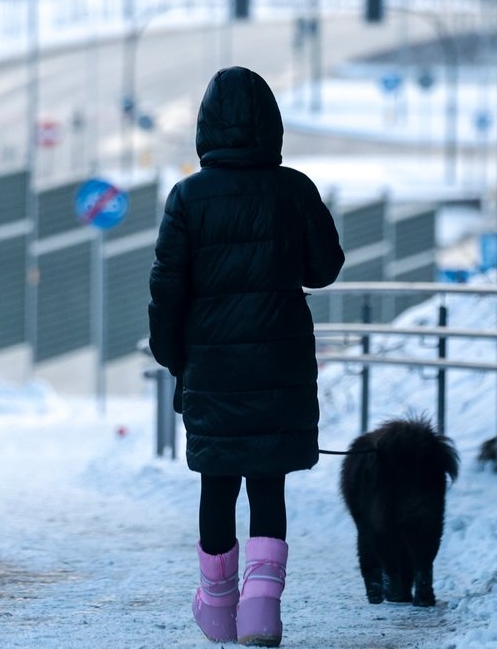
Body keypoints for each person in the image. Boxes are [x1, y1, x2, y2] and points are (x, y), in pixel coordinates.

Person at [148, 67, 344, 646]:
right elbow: (324, 268)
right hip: (278, 361)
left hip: (210, 364)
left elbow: (167, 289)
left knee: (216, 483)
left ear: (206, 128)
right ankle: (262, 608)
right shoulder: (294, 188)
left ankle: (215, 605)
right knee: (268, 483)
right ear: (271, 124)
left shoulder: (187, 196)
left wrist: (172, 354)